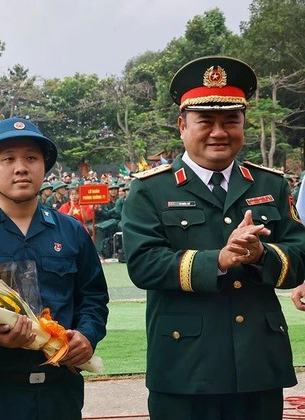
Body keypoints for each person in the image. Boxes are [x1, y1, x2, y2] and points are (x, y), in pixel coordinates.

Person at [122, 56, 305, 420]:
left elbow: (299, 258)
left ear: (243, 125)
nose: (218, 132)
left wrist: (259, 255)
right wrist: (218, 260)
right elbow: (144, 265)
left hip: (258, 366)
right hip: (185, 368)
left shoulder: (270, 184)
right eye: (205, 121)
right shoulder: (150, 190)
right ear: (182, 126)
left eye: (230, 121)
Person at [0, 117, 109, 419]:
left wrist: (87, 336)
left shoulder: (71, 231)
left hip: (61, 390)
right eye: (8, 159)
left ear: (45, 166)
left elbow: (93, 298)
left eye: (31, 158)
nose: (21, 167)